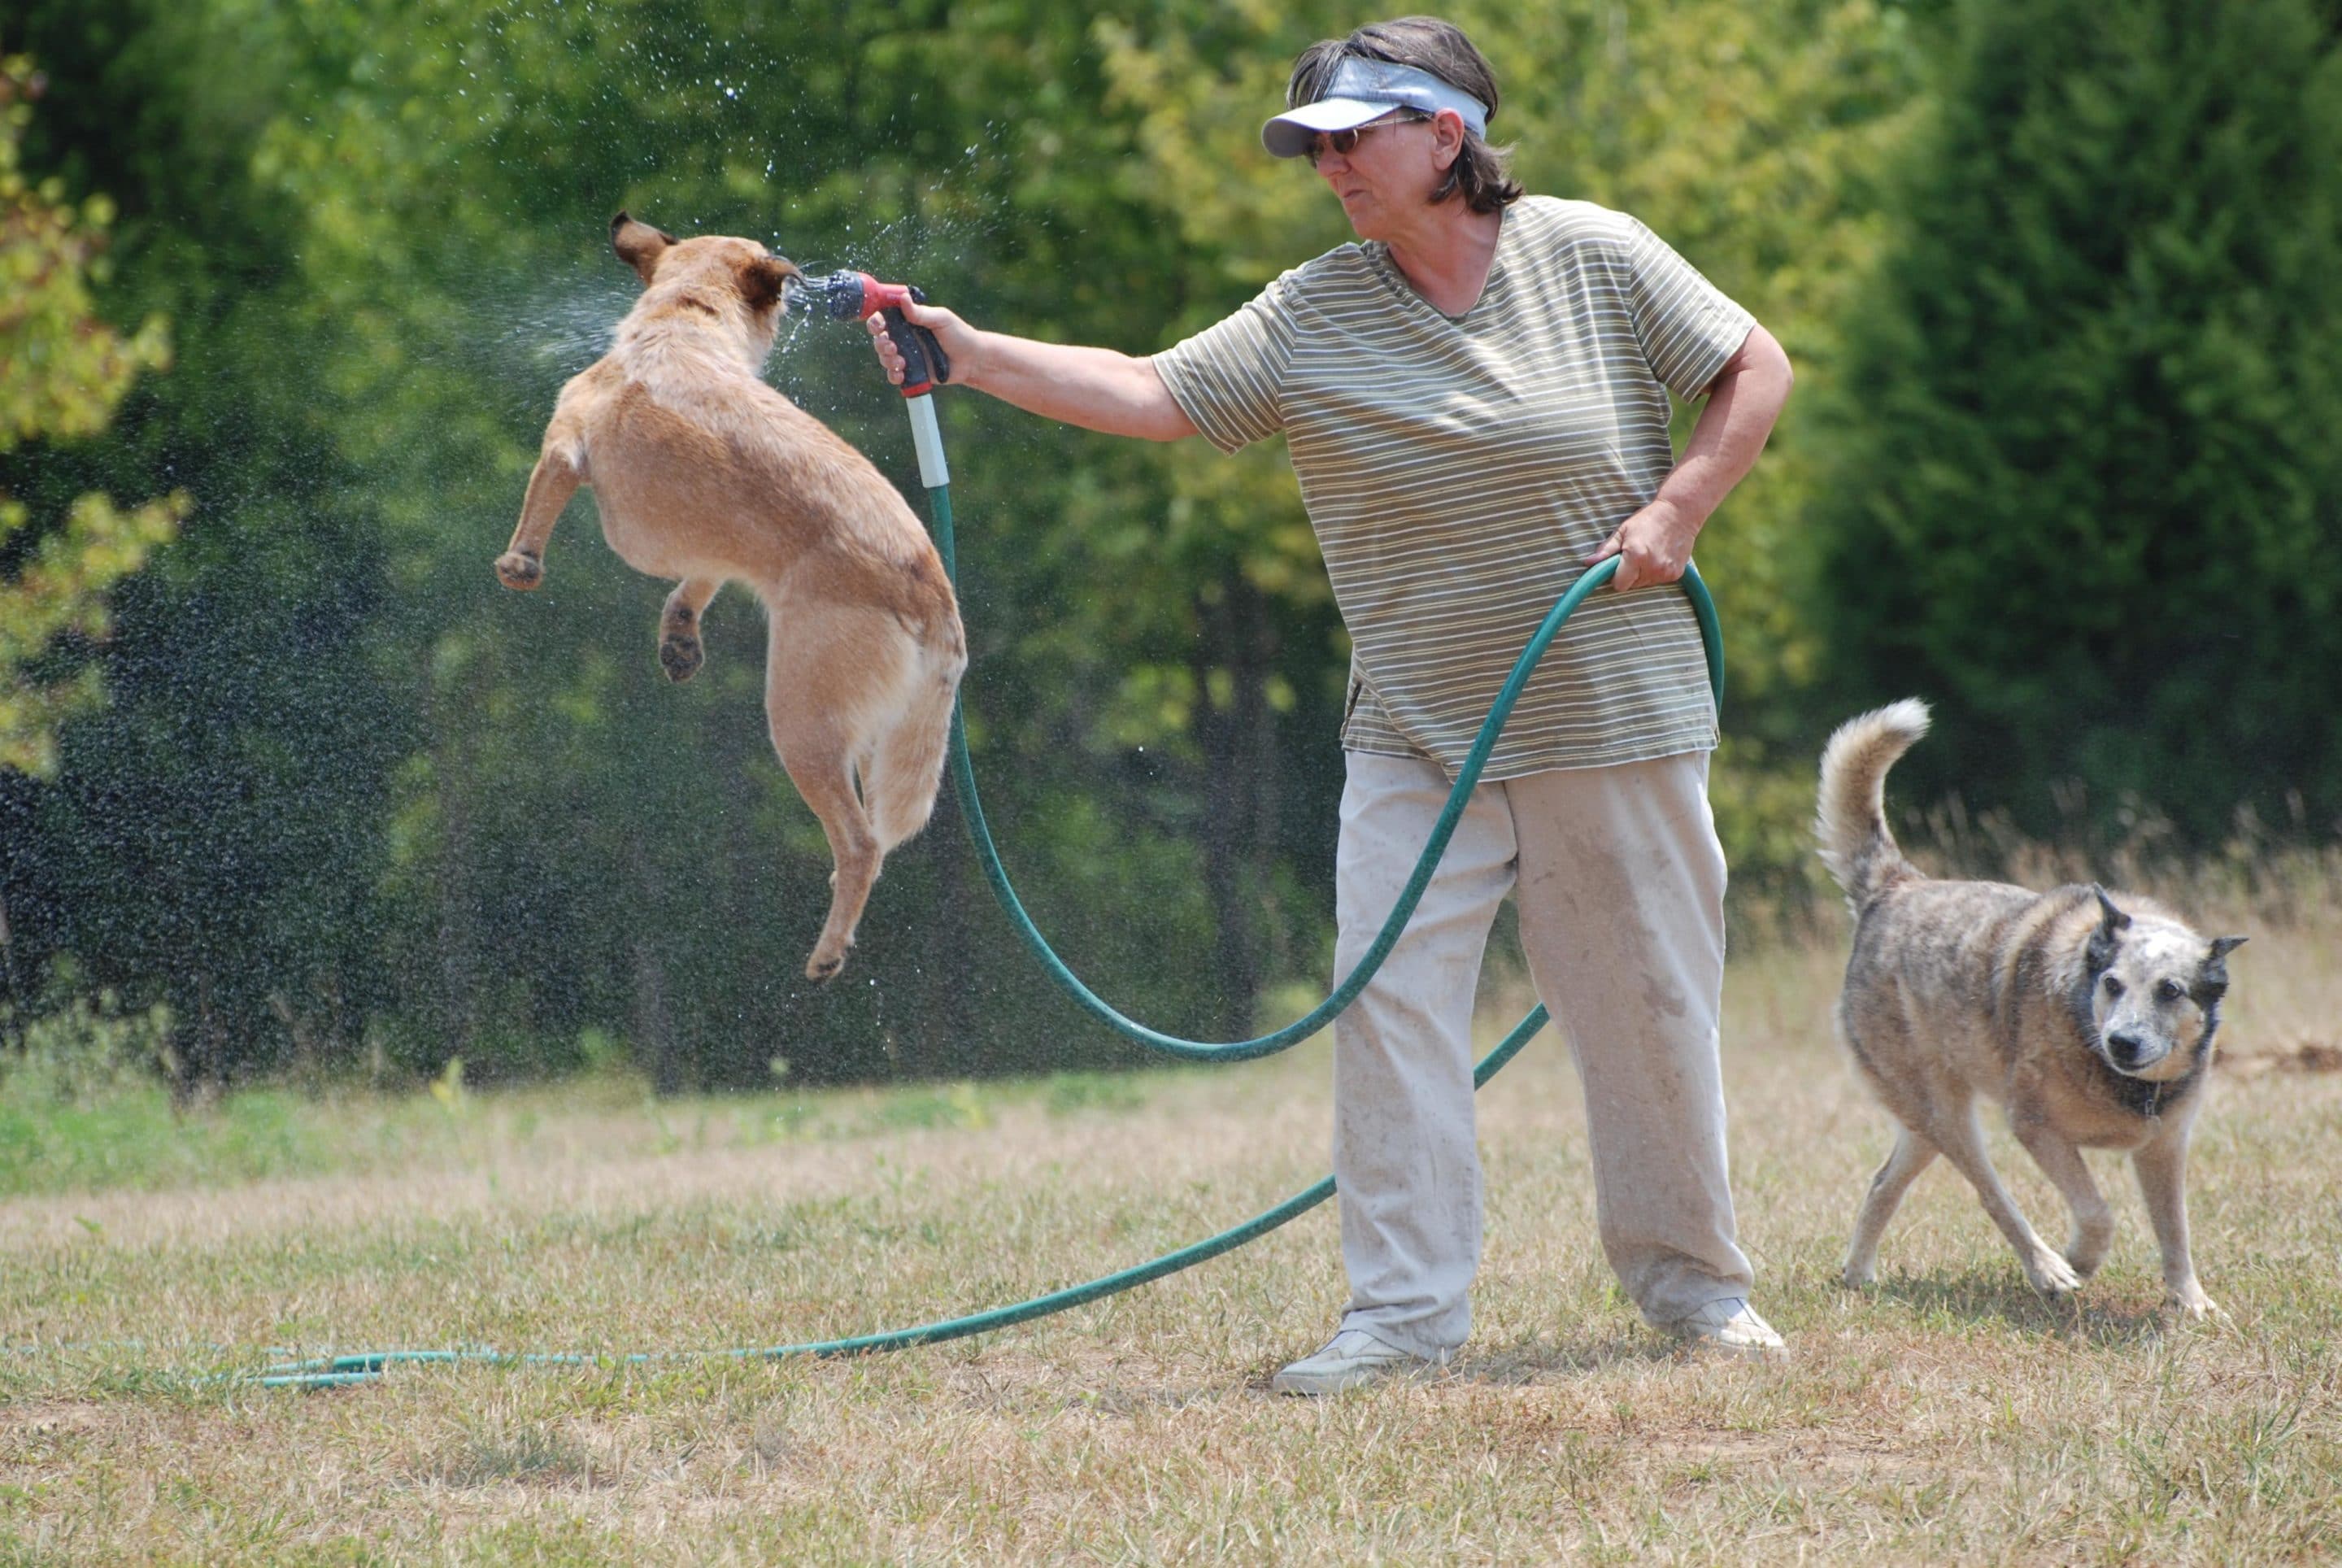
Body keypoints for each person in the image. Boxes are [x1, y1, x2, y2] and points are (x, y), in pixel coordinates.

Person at [868, 15, 1795, 1394]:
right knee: (1389, 1006)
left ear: (1448, 135)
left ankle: (1697, 1294)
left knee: (1646, 1008)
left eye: (1354, 137)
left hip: (1612, 711)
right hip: (1418, 728)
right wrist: (971, 354)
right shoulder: (1315, 311)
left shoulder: (1592, 255)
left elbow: (1753, 367)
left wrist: (1678, 507)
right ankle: (1405, 1319)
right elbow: (1153, 390)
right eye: (1315, 146)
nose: (1330, 166)